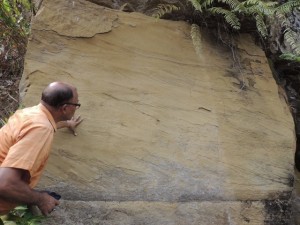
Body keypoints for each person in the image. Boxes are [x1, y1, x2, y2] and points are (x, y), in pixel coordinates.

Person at [0, 81, 83, 216]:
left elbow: (43, 124)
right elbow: (5, 184)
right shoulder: (40, 129)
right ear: (65, 108)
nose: (76, 108)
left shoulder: (30, 114)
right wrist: (41, 199)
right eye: (76, 104)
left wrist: (67, 123)